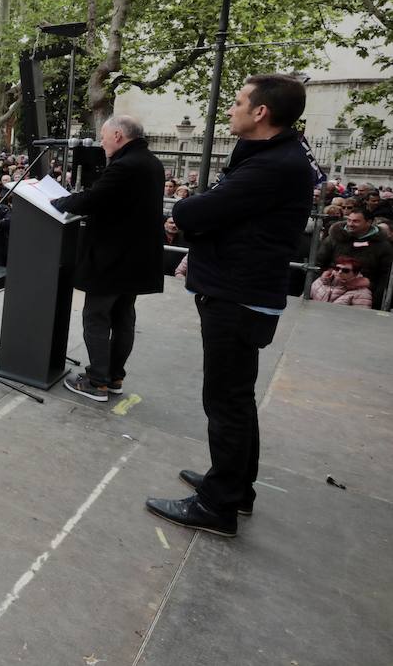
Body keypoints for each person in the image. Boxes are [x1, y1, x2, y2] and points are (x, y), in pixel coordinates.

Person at [148, 74, 312, 537]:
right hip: (237, 288)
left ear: (261, 112)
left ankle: (217, 505)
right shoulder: (268, 156)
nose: (231, 108)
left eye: (239, 101)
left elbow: (197, 212)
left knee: (225, 400)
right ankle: (235, 487)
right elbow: (219, 211)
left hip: (238, 295)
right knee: (235, 396)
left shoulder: (275, 165)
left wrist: (189, 219)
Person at [50, 115, 165, 402]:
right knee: (124, 316)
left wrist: (58, 201)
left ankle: (97, 381)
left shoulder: (126, 166)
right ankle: (115, 376)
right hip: (136, 258)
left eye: (103, 136)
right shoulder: (151, 162)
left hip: (113, 258)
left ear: (118, 135)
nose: (100, 142)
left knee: (96, 316)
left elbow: (92, 200)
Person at [315, 207, 391, 306]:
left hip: (363, 297)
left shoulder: (383, 246)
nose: (350, 224)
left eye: (356, 221)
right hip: (329, 291)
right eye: (349, 220)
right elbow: (318, 263)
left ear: (368, 222)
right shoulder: (334, 239)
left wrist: (370, 284)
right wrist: (324, 276)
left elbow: (385, 276)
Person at [308, 256, 374, 307]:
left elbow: (359, 319)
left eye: (345, 270)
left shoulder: (363, 293)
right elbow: (303, 301)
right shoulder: (320, 281)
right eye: (337, 268)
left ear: (355, 274)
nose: (339, 272)